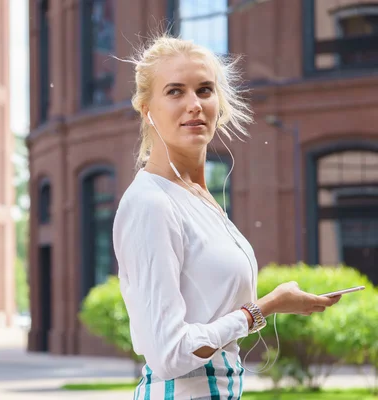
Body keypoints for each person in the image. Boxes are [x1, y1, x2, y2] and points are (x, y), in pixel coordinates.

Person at [112, 34, 342, 400]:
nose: (194, 104)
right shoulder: (150, 203)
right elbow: (170, 354)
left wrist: (278, 303)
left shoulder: (201, 200)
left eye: (205, 90)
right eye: (175, 92)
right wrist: (266, 307)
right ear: (146, 108)